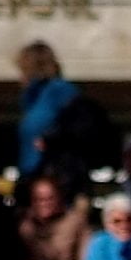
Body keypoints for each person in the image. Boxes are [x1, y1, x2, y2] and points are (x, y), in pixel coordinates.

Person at [14, 40, 83, 185]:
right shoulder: (30, 98)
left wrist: (51, 139)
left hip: (57, 175)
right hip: (31, 174)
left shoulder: (60, 90)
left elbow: (77, 126)